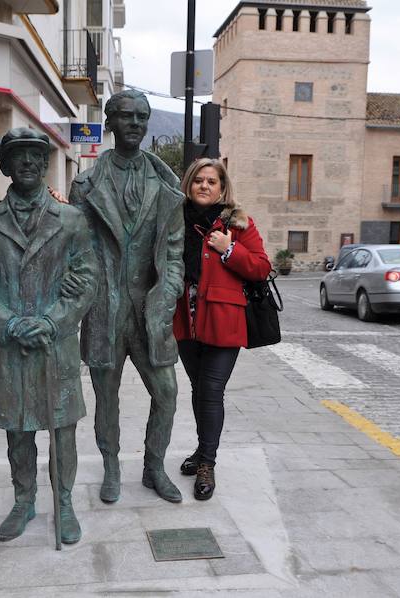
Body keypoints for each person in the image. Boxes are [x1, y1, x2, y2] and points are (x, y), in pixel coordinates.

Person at [0, 128, 98, 545]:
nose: (28, 164)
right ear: (4, 165)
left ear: (45, 164)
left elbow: (86, 276)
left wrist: (54, 320)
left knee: (63, 427)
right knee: (18, 431)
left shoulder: (71, 219)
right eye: (18, 157)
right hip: (9, 347)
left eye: (36, 157)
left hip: (57, 344)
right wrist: (9, 324)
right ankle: (24, 500)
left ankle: (66, 501)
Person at [68, 89, 186, 504]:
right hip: (104, 310)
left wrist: (168, 292)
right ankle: (112, 467)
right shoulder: (85, 186)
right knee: (106, 397)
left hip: (150, 309)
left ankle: (154, 466)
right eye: (127, 116)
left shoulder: (167, 187)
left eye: (142, 117)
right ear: (111, 122)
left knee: (167, 393)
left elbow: (173, 253)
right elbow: (76, 250)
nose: (135, 123)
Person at [173, 158, 271, 501]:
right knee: (199, 390)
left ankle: (207, 465)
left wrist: (228, 248)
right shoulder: (174, 221)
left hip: (223, 322)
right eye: (198, 179)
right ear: (188, 184)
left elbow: (261, 267)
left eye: (211, 181)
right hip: (185, 320)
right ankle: (202, 451)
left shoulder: (237, 224)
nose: (204, 185)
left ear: (222, 187)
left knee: (212, 391)